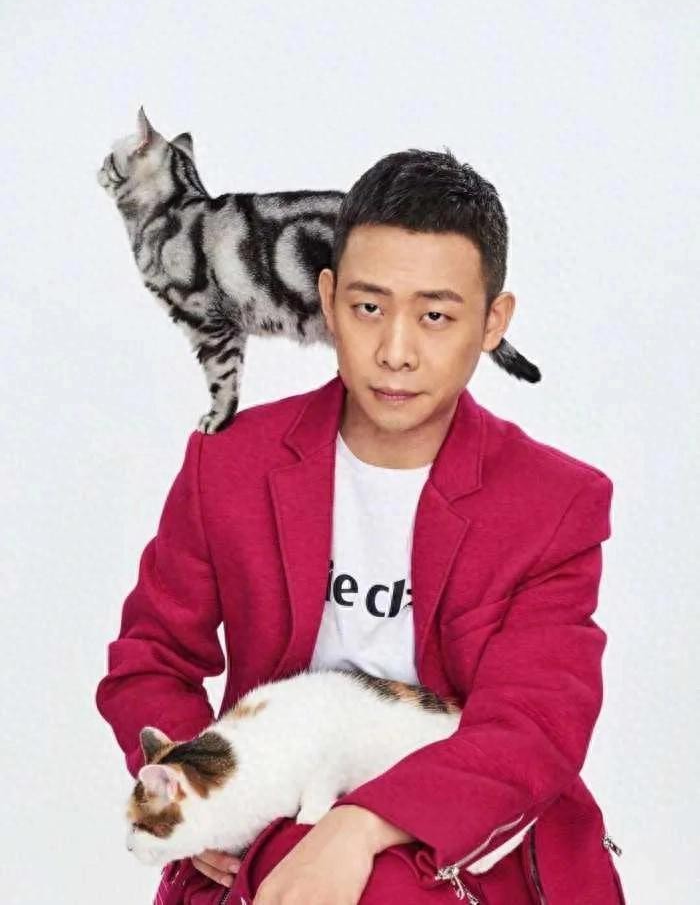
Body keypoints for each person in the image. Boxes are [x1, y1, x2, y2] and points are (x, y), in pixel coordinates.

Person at [95, 149, 625, 904]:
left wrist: (360, 825)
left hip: (460, 835)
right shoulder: (231, 465)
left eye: (436, 316)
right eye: (369, 308)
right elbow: (150, 659)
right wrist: (199, 790)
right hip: (270, 821)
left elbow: (532, 725)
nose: (395, 352)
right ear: (328, 299)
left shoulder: (554, 502)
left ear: (492, 322)